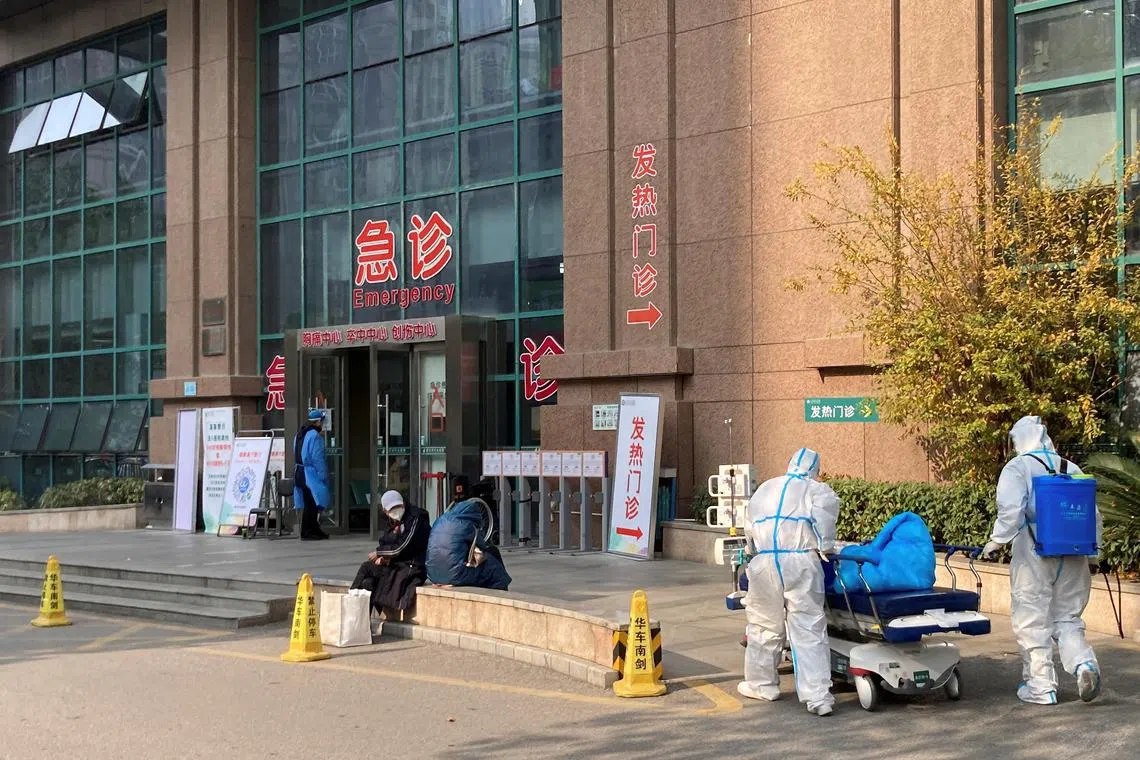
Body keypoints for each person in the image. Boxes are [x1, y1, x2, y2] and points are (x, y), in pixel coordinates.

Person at [982, 416, 1103, 705]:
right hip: (1074, 553)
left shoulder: (1018, 467)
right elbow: (1093, 515)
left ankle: (1041, 687)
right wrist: (1094, 555)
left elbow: (1011, 511)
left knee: (1031, 619)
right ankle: (1084, 664)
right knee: (1067, 618)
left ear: (1021, 439)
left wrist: (995, 543)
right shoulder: (1070, 467)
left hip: (1034, 552)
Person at [738, 447, 840, 716]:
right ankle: (818, 697)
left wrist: (754, 550)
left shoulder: (766, 489)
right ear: (815, 469)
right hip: (800, 561)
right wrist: (826, 547)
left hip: (765, 562)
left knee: (763, 625)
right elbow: (824, 528)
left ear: (789, 463)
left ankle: (762, 685)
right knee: (808, 627)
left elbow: (749, 531)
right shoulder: (817, 491)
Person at [351, 490, 431, 616]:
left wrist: (380, 553)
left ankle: (352, 608)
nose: (395, 510)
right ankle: (356, 613)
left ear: (403, 504)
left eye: (397, 506)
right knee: (367, 581)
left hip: (411, 566)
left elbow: (402, 547)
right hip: (397, 562)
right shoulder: (392, 520)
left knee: (370, 574)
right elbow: (385, 541)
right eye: (391, 509)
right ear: (385, 511)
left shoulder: (415, 518)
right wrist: (384, 557)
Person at [292, 409, 330, 541]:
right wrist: (323, 475)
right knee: (312, 503)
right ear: (318, 421)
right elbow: (317, 458)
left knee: (308, 502)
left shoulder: (299, 434)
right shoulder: (315, 436)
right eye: (322, 421)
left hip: (299, 471)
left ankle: (313, 529)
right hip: (310, 474)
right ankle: (308, 531)